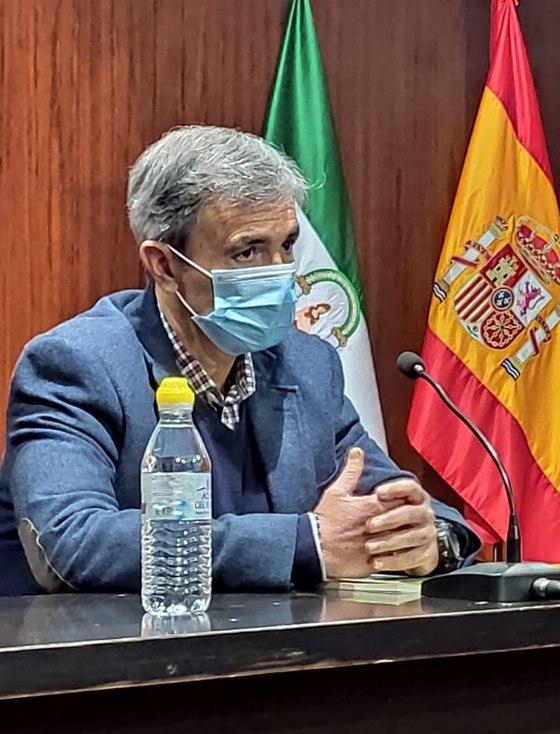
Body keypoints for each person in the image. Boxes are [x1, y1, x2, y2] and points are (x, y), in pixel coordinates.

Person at [0, 126, 479, 595]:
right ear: (164, 266)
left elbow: (394, 498)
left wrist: (425, 538)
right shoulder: (77, 365)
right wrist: (305, 545)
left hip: (266, 654)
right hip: (101, 663)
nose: (280, 274)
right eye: (248, 251)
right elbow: (68, 542)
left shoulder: (306, 365)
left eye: (287, 245)